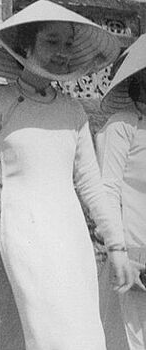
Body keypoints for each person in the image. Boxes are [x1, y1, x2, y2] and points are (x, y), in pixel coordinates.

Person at [0, 0, 135, 350]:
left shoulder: (73, 111)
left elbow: (90, 185)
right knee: (49, 332)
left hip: (71, 238)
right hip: (23, 230)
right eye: (51, 42)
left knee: (78, 331)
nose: (62, 53)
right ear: (26, 46)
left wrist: (116, 246)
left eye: (68, 44)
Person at [96, 34, 146, 349]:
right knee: (128, 338)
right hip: (132, 252)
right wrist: (120, 251)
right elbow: (107, 188)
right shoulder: (122, 125)